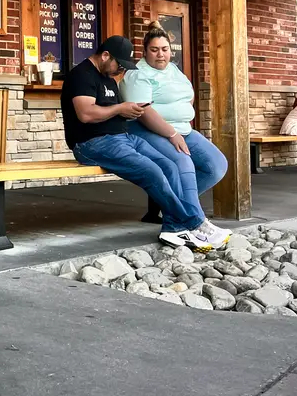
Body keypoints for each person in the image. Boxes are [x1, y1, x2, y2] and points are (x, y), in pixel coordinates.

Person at [62, 35, 230, 251]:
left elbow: (113, 111)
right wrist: (121, 109)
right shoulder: (81, 75)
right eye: (119, 65)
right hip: (92, 143)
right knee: (152, 171)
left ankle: (173, 228)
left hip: (122, 138)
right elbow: (86, 114)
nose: (120, 70)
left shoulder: (107, 76)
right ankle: (195, 223)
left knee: (169, 165)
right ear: (105, 56)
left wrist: (128, 111)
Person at [120, 21, 228, 224]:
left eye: (164, 49)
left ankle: (169, 203)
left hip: (181, 129)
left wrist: (182, 117)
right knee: (183, 161)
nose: (160, 54)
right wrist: (171, 133)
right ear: (144, 52)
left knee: (216, 165)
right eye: (154, 50)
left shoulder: (174, 70)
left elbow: (188, 95)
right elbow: (143, 112)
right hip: (147, 130)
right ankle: (191, 219)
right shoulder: (137, 74)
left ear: (170, 51)